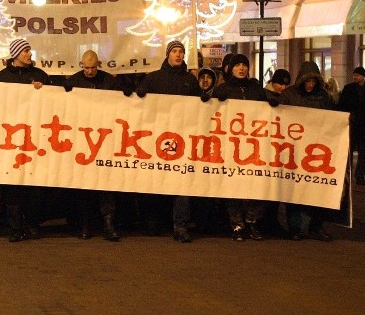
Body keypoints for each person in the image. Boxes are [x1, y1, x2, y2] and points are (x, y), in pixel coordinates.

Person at [135, 40, 200, 243]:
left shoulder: (190, 80)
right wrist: (135, 94)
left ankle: (180, 226)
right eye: (175, 52)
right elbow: (138, 101)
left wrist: (205, 99)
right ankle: (153, 222)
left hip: (182, 138)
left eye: (181, 52)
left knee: (181, 184)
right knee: (156, 181)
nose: (178, 55)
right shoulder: (154, 78)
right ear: (168, 55)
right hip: (157, 138)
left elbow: (200, 106)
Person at [0, 38, 51, 242]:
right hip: (10, 139)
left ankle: (32, 224)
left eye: (29, 50)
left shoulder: (39, 75)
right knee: (12, 187)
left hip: (33, 139)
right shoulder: (1, 78)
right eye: (26, 51)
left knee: (34, 186)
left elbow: (52, 99)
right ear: (16, 53)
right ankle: (15, 228)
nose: (29, 54)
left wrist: (42, 90)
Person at [64, 50, 122, 241]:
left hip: (104, 138)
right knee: (85, 186)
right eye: (86, 68)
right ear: (82, 65)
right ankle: (85, 224)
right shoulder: (73, 81)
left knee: (106, 185)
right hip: (83, 140)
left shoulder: (109, 81)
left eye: (92, 67)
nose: (89, 71)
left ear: (98, 64)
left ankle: (108, 223)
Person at [212, 54, 270, 241]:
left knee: (256, 186)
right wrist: (214, 101)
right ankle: (237, 224)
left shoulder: (256, 89)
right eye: (237, 65)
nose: (241, 68)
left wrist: (273, 104)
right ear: (231, 68)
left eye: (244, 65)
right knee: (234, 186)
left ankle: (252, 222)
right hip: (232, 145)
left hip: (255, 145)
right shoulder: (224, 89)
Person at [280, 61, 335, 241]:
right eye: (307, 81)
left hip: (316, 151)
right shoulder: (290, 95)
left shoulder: (323, 97)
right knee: (294, 189)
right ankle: (295, 227)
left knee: (318, 189)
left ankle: (316, 226)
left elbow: (332, 120)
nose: (310, 85)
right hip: (294, 150)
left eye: (313, 81)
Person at [338, 67, 365, 186]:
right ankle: (347, 175)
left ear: (363, 76)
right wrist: (347, 117)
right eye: (354, 75)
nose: (355, 77)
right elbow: (342, 105)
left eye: (357, 75)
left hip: (364, 124)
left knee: (362, 152)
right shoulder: (348, 88)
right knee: (349, 151)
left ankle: (360, 176)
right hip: (351, 123)